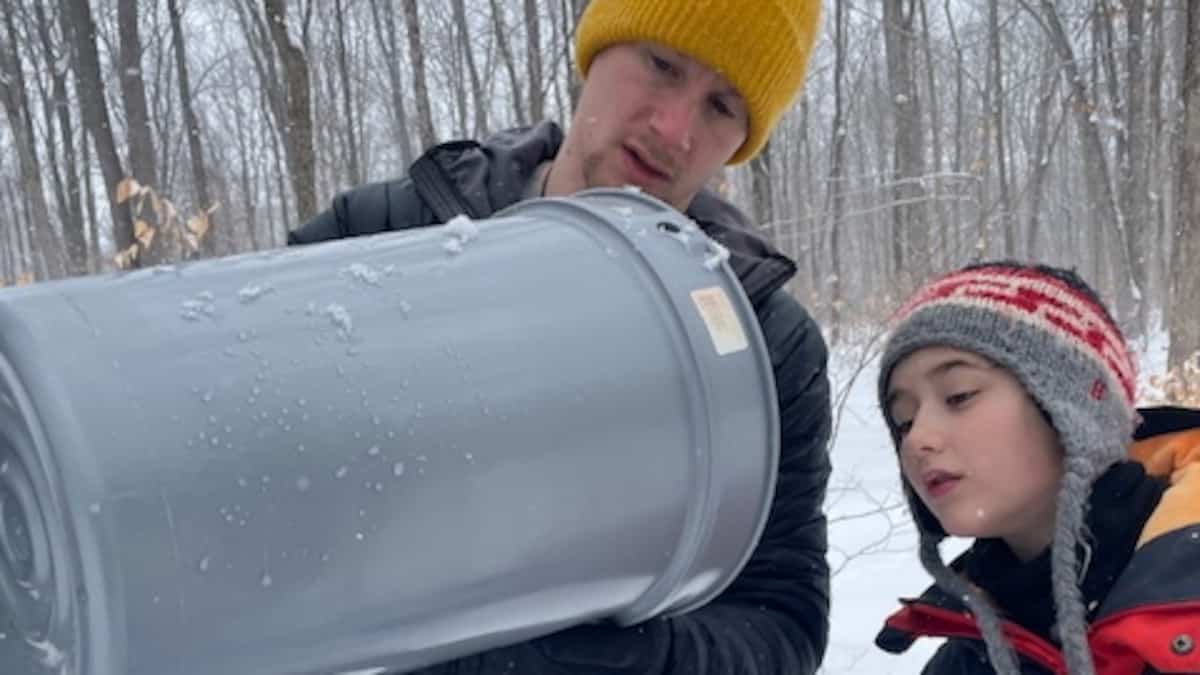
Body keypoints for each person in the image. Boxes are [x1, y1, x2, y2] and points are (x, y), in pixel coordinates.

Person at [288, 1, 833, 673]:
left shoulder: (761, 344)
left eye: (722, 106)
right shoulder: (384, 235)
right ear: (598, 47)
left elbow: (780, 621)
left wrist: (620, 658)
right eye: (661, 65)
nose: (673, 128)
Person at [872, 261, 1200, 675]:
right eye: (904, 419)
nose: (918, 439)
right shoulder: (972, 648)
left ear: (1075, 410)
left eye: (959, 396)